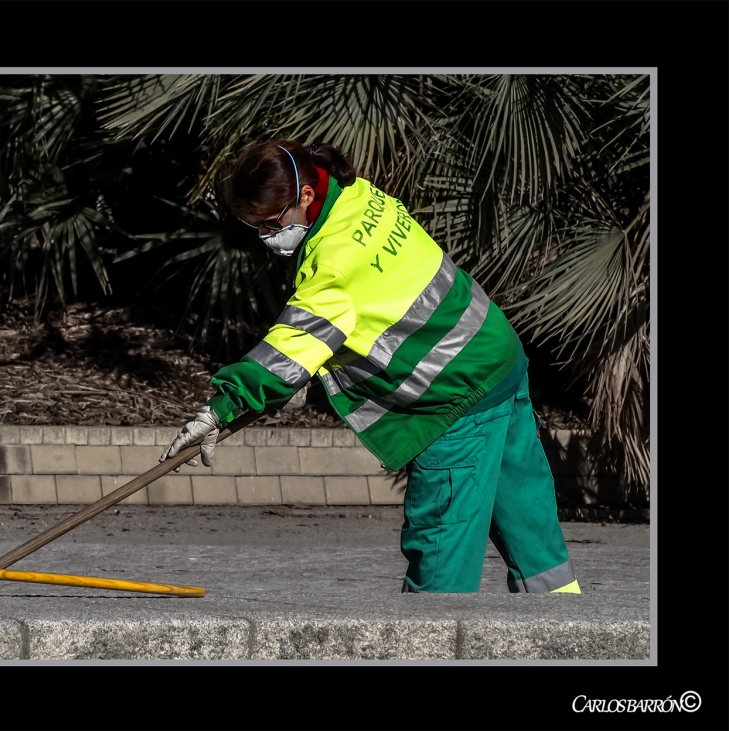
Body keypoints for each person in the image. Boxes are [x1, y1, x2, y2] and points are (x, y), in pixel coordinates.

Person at [161, 140, 580, 595]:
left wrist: (218, 411)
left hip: (455, 394)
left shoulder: (333, 262)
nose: (265, 236)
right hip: (496, 356)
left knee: (440, 550)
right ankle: (570, 633)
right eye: (253, 226)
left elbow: (293, 343)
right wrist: (310, 371)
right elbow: (375, 309)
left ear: (304, 197)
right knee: (532, 539)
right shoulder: (359, 195)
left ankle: (430, 647)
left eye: (270, 223)